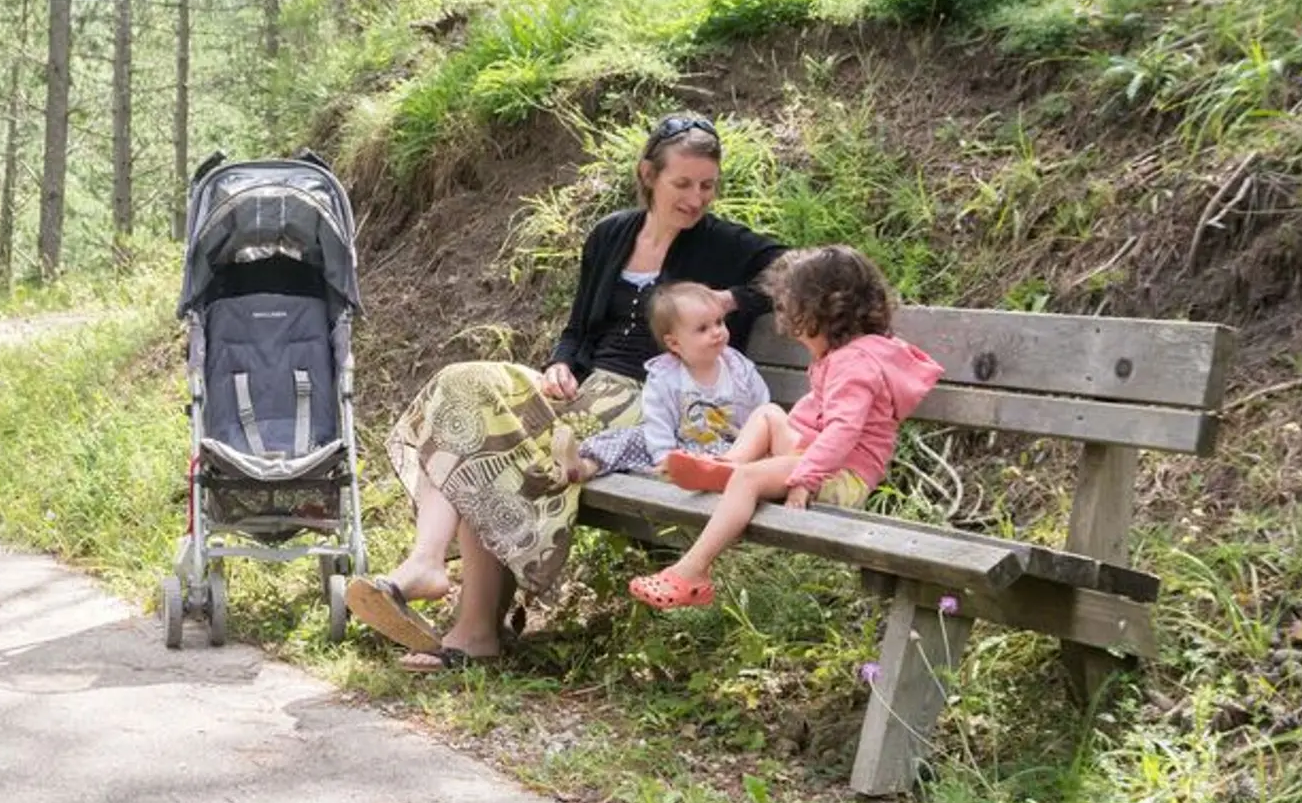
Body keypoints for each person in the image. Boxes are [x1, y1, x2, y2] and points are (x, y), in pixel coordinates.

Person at [344, 115, 786, 672]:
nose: (696, 199)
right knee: (461, 385)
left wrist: (730, 299)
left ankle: (473, 629)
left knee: (502, 443)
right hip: (583, 388)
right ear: (648, 175)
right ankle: (428, 562)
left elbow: (795, 271)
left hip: (651, 398)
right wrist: (559, 363)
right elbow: (579, 330)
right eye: (682, 184)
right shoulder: (610, 235)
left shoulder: (725, 244)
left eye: (707, 185)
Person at [627, 245, 944, 610]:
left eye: (798, 326)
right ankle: (727, 464)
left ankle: (692, 572)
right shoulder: (850, 355)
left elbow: (842, 432)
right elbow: (816, 419)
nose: (795, 336)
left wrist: (805, 479)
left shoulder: (854, 366)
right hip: (820, 458)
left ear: (822, 316)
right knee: (768, 413)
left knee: (748, 481)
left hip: (841, 476)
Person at [551, 281, 769, 483]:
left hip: (729, 450)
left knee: (743, 456)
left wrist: (756, 446)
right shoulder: (665, 376)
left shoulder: (739, 369)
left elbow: (762, 411)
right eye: (703, 329)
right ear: (674, 343)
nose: (717, 332)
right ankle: (584, 466)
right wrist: (665, 457)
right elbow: (658, 421)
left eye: (719, 322)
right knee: (630, 436)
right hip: (679, 449)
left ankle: (707, 474)